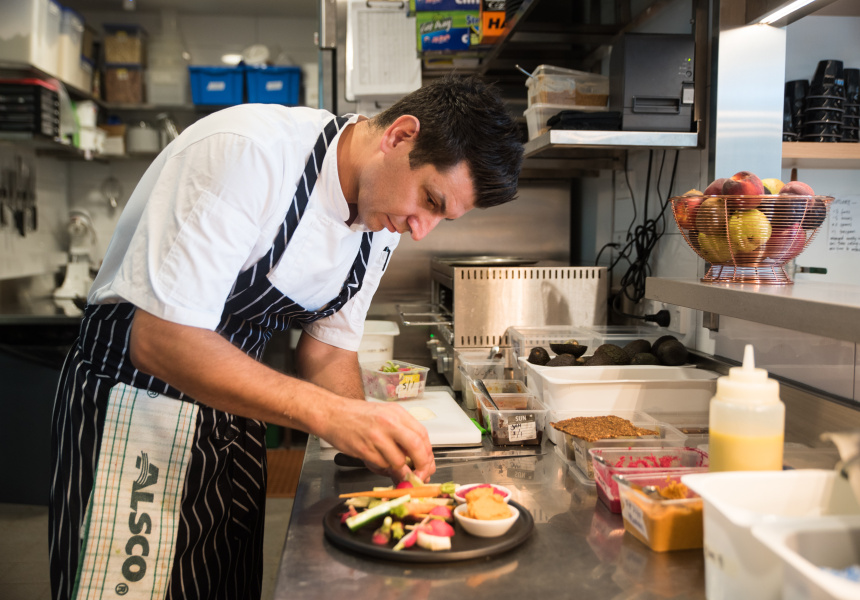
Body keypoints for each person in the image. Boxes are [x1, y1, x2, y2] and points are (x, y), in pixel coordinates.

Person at [49, 74, 523, 600]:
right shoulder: (249, 154)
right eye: (430, 199)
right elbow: (161, 339)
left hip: (235, 415)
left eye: (441, 217)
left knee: (226, 585)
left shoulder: (380, 221)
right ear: (400, 136)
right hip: (138, 411)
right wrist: (329, 415)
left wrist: (375, 442)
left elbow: (327, 350)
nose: (421, 229)